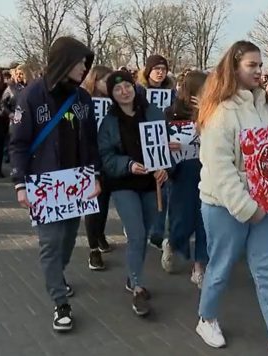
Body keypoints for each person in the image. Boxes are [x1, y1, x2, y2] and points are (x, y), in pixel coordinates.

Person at [195, 40, 268, 356]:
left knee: (267, 272)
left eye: (261, 65)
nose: (259, 71)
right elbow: (219, 169)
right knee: (220, 267)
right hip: (226, 208)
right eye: (252, 65)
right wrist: (247, 208)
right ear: (234, 68)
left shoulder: (265, 107)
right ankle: (206, 318)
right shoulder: (220, 113)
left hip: (267, 205)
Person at [9, 36, 101, 332]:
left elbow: (91, 141)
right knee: (50, 243)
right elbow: (19, 143)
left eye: (87, 63)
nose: (85, 67)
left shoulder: (83, 98)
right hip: (44, 184)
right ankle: (60, 302)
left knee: (69, 238)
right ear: (64, 62)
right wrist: (20, 183)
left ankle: (56, 276)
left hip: (77, 184)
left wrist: (95, 175)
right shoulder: (33, 95)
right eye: (80, 62)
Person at [98, 70, 168, 317]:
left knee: (146, 232)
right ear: (112, 95)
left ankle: (132, 276)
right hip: (123, 183)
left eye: (127, 86)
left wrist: (164, 168)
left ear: (134, 87)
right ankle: (138, 287)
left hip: (150, 184)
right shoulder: (109, 122)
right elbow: (105, 156)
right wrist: (127, 164)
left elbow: (164, 145)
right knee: (136, 234)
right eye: (117, 89)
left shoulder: (153, 112)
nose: (123, 91)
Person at [163, 70, 209, 286]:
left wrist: (205, 113)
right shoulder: (171, 113)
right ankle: (173, 243)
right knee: (182, 219)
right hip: (183, 173)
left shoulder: (213, 112)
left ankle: (199, 265)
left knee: (205, 221)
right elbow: (157, 140)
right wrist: (167, 147)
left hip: (208, 172)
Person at [137, 54, 173, 250]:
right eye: (156, 68)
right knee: (144, 190)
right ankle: (138, 225)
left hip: (164, 145)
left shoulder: (171, 93)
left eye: (163, 69)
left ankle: (157, 234)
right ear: (148, 71)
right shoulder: (138, 92)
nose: (160, 72)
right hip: (142, 144)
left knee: (163, 189)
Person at [81, 65, 114, 271]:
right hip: (90, 159)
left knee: (104, 202)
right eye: (106, 81)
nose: (109, 86)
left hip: (109, 158)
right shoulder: (84, 101)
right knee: (93, 205)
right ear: (96, 80)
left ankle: (100, 235)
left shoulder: (113, 102)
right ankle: (93, 249)